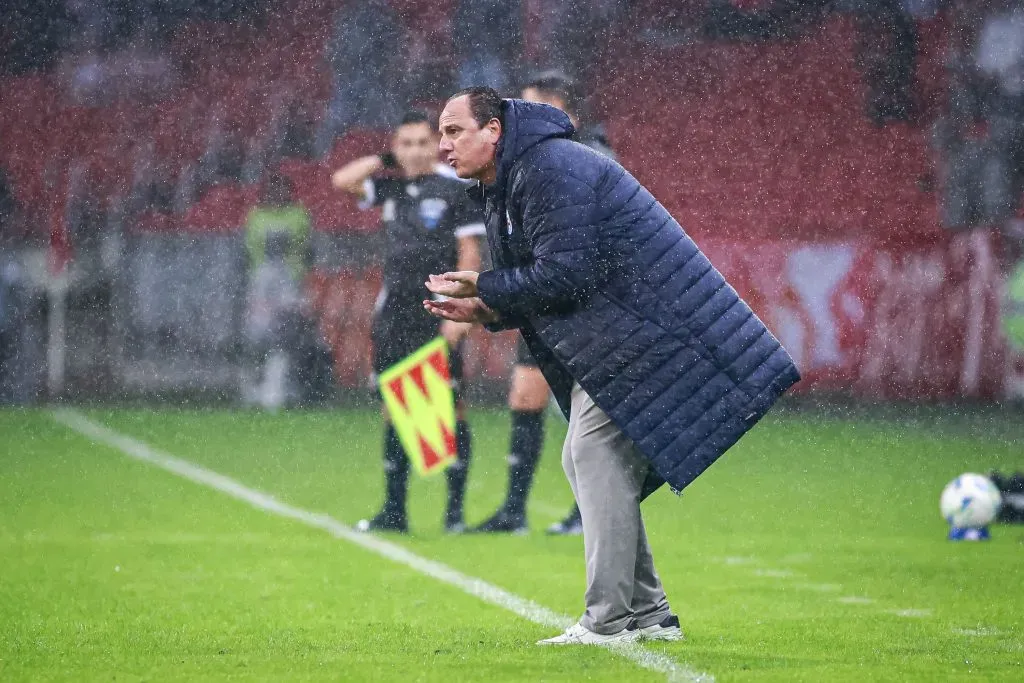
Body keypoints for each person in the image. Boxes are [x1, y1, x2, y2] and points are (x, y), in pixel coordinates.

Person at [425, 87, 799, 644]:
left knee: (591, 452)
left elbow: (570, 273)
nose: (443, 145)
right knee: (589, 461)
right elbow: (545, 282)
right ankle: (649, 614)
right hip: (625, 332)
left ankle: (607, 620)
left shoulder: (547, 167)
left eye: (455, 131)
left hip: (648, 331)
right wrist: (485, 308)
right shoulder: (513, 178)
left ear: (494, 131)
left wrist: (489, 284)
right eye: (442, 133)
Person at [473, 71, 615, 536]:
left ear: (561, 111)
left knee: (583, 413)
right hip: (539, 298)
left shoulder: (590, 157)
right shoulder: (529, 161)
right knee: (525, 396)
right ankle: (514, 510)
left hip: (579, 304)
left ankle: (587, 512)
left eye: (534, 107)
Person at [332, 110, 486, 534]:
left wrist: (459, 306)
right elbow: (341, 181)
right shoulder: (391, 187)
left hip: (437, 312)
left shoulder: (456, 190)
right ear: (396, 148)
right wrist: (385, 160)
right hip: (395, 313)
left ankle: (454, 514)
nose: (415, 151)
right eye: (406, 144)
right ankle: (394, 510)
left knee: (451, 408)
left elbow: (469, 252)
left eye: (422, 142)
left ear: (435, 144)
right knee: (395, 407)